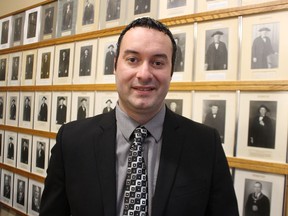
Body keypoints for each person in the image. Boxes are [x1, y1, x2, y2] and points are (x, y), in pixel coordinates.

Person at [39, 17, 239, 215]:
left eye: (158, 62)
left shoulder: (205, 144)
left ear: (171, 72)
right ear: (115, 66)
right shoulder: (72, 141)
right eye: (133, 60)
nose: (144, 74)